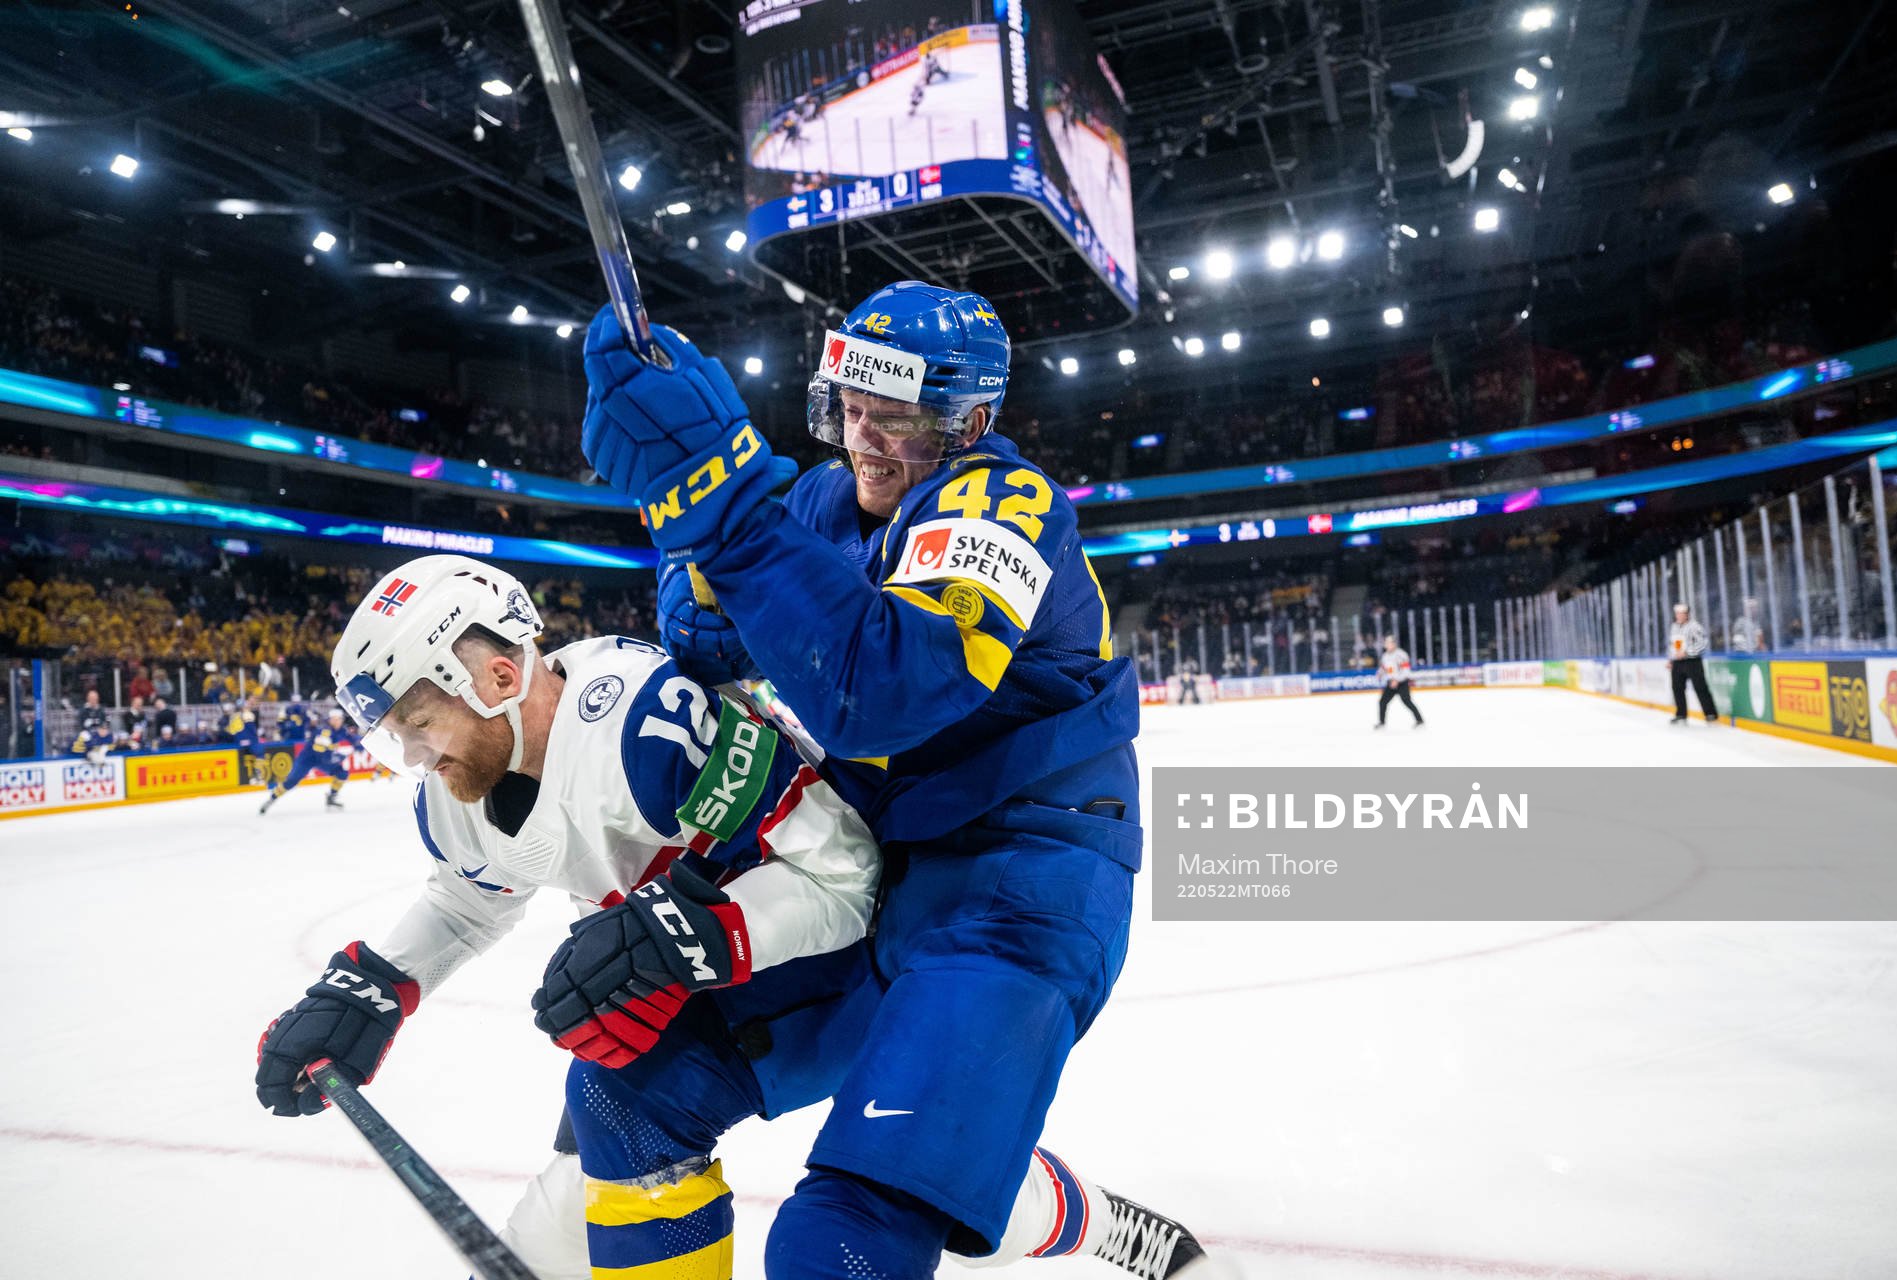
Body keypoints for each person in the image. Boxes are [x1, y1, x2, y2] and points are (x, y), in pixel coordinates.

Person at [253, 555, 1179, 1280]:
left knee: (911, 1183)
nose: (412, 755)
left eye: (419, 721)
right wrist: (375, 981)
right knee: (615, 1106)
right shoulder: (457, 788)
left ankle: (1084, 1217)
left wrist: (689, 934)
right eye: (394, 734)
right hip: (721, 972)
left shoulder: (649, 731)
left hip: (854, 957)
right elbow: (472, 888)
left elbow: (846, 874)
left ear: (497, 675)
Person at [580, 281, 1198, 1277]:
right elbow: (709, 638)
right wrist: (679, 500)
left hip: (1019, 883)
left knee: (844, 1239)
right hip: (871, 859)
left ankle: (978, 1162)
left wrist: (729, 516)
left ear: (974, 420)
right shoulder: (825, 498)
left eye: (896, 415)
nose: (862, 438)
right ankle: (1008, 1172)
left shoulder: (1010, 506)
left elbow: (886, 688)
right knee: (626, 1090)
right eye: (845, 407)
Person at [258, 705, 355, 812]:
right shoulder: (325, 730)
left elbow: (352, 739)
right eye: (335, 719)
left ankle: (331, 798)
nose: (337, 722)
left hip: (322, 758)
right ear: (330, 719)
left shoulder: (342, 730)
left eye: (339, 719)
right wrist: (341, 756)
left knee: (342, 773)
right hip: (307, 758)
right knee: (291, 781)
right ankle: (272, 798)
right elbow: (323, 754)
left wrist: (361, 744)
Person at [1667, 602, 1718, 724]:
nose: (1679, 616)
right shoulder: (1674, 627)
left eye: (1681, 613)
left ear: (1687, 614)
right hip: (1678, 662)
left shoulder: (1695, 626)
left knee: (1700, 687)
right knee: (1677, 688)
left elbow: (1703, 643)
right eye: (1677, 613)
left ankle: (1710, 713)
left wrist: (1687, 652)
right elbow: (1672, 644)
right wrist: (1670, 659)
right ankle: (1681, 714)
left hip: (1692, 661)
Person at [1374, 634, 1424, 729]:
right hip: (1391, 682)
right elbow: (1384, 668)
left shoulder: (1401, 655)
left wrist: (1397, 680)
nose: (1387, 645)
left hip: (1402, 682)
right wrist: (1380, 673)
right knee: (1382, 702)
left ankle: (1420, 720)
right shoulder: (1385, 656)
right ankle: (1381, 722)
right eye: (1386, 643)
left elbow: (1406, 671)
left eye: (1389, 643)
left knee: (1406, 701)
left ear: (1394, 644)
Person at [71, 689, 113, 762]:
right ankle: (89, 754)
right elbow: (79, 725)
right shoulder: (83, 711)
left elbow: (106, 722)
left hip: (99, 733)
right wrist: (90, 731)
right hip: (86, 732)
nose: (94, 700)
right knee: (86, 736)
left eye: (95, 699)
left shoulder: (101, 710)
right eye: (92, 699)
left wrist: (104, 729)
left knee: (108, 736)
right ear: (88, 699)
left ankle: (99, 754)